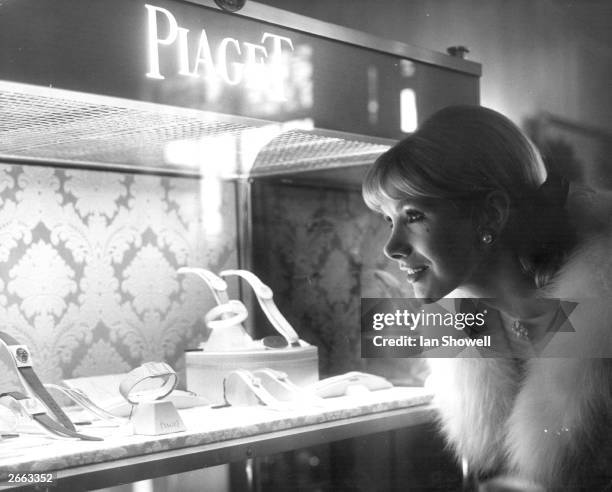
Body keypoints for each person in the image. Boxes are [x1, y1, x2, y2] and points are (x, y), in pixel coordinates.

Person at [362, 105, 612, 490]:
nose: (391, 247)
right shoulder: (456, 325)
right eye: (388, 220)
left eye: (413, 216)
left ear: (491, 215)